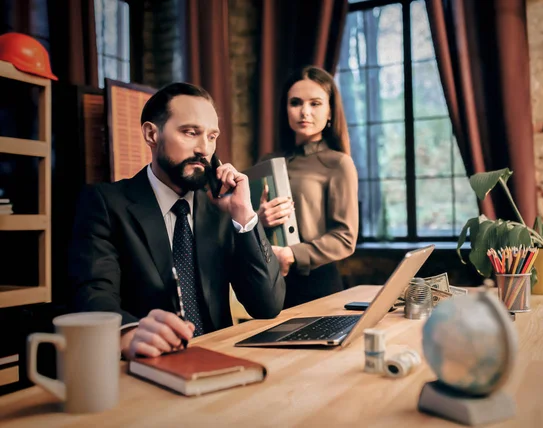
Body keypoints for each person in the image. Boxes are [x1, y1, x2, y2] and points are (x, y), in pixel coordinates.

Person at [69, 83, 285, 360]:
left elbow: (267, 305)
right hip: (149, 365)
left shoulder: (222, 211)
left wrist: (244, 214)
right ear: (151, 134)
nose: (203, 149)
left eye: (211, 136)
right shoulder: (105, 203)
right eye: (190, 132)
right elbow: (93, 291)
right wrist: (127, 333)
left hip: (219, 360)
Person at [258, 66, 359, 308]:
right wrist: (259, 220)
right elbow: (243, 231)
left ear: (330, 111)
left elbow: (345, 238)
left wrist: (292, 254)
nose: (304, 112)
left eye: (315, 103)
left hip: (318, 285)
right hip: (267, 283)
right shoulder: (266, 163)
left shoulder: (338, 163)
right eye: (295, 103)